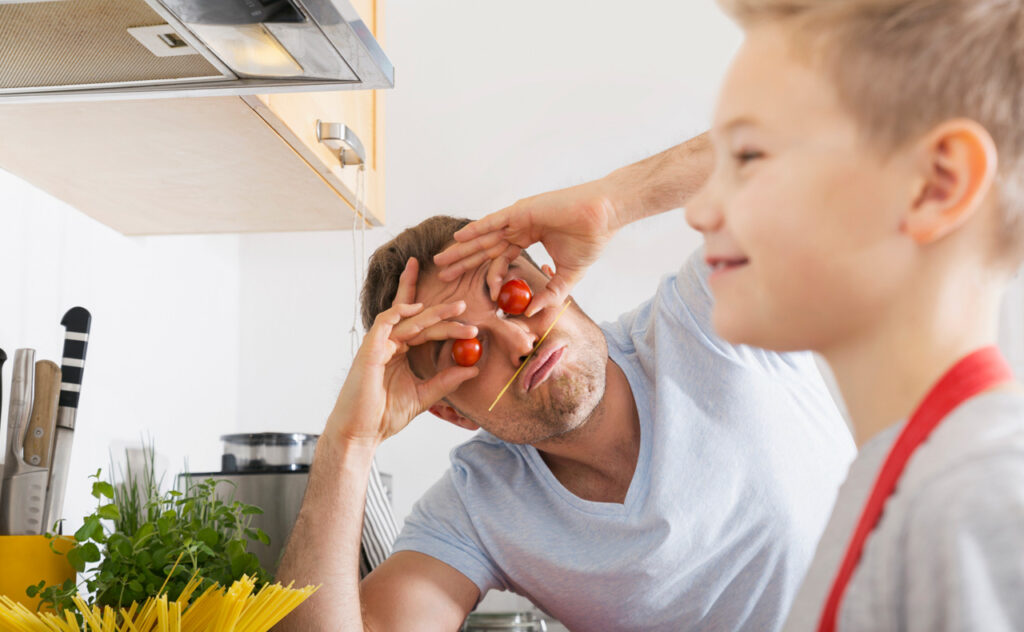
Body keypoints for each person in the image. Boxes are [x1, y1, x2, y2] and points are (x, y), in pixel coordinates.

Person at [441, 0, 1024, 629]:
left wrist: (615, 200)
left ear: (937, 184)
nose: (698, 210)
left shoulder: (983, 500)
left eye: (751, 158)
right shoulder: (900, 485)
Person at [275, 169, 856, 628]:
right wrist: (348, 443)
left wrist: (613, 202)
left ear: (556, 274)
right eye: (468, 350)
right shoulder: (478, 506)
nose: (521, 339)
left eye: (513, 291)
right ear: (450, 411)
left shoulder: (711, 312)